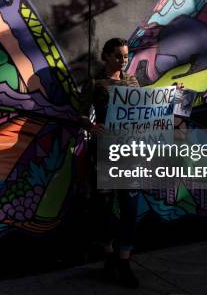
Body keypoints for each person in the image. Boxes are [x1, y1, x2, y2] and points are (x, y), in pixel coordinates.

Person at [79, 38, 140, 289]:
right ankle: (108, 258)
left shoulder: (132, 81)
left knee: (130, 208)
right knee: (104, 210)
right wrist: (92, 127)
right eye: (117, 56)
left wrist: (174, 95)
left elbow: (145, 110)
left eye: (125, 56)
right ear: (105, 56)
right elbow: (81, 114)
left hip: (130, 154)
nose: (122, 61)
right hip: (104, 154)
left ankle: (124, 262)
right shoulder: (95, 83)